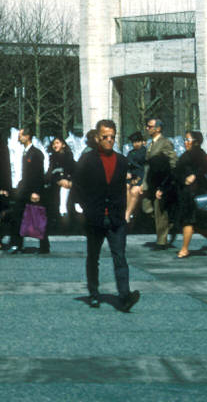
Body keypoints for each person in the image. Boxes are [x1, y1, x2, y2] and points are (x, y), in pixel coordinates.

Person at [71, 119, 139, 312]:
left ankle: (125, 296)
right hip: (95, 217)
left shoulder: (122, 161)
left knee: (120, 257)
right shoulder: (87, 159)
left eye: (112, 137)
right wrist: (83, 209)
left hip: (116, 218)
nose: (109, 140)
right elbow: (78, 187)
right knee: (93, 256)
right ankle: (94, 293)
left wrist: (127, 213)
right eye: (105, 137)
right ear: (97, 138)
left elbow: (123, 188)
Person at [173, 130, 207, 258]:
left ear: (196, 142)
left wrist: (194, 175)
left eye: (188, 140)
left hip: (195, 192)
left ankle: (184, 249)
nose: (185, 142)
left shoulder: (199, 153)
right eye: (185, 140)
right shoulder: (185, 154)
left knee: (188, 221)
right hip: (185, 192)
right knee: (196, 225)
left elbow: (206, 168)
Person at [7, 127, 49, 254]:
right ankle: (17, 243)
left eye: (21, 136)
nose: (19, 138)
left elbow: (38, 174)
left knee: (38, 217)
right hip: (25, 189)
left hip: (32, 190)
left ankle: (44, 246)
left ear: (28, 136)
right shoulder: (26, 152)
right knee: (18, 216)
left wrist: (36, 192)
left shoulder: (36, 153)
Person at [139, 117, 177, 249]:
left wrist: (165, 184)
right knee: (146, 207)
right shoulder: (151, 143)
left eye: (150, 126)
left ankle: (162, 241)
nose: (147, 128)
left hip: (160, 181)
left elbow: (172, 162)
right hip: (149, 181)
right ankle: (169, 225)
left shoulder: (165, 143)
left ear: (158, 129)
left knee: (160, 211)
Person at [45, 136, 76, 219]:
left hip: (70, 184)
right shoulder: (52, 158)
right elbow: (50, 173)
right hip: (56, 185)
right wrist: (58, 181)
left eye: (57, 143)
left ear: (63, 145)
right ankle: (62, 211)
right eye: (53, 144)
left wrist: (70, 181)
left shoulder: (70, 156)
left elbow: (74, 171)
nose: (55, 145)